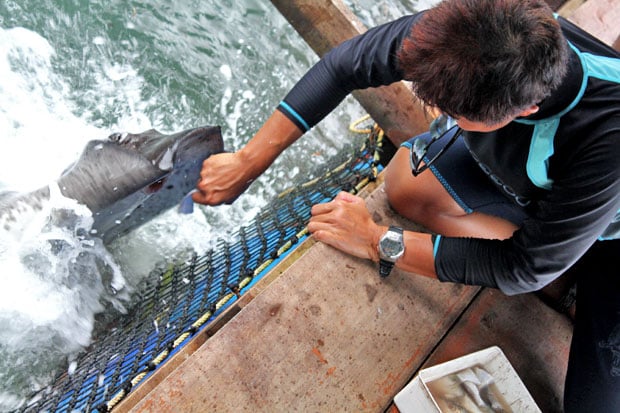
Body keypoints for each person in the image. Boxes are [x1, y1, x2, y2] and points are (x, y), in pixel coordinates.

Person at [192, 0, 620, 410]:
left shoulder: (608, 137)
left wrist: (379, 240)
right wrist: (248, 161)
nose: (442, 114)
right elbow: (344, 66)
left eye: (455, 111)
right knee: (405, 185)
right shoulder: (477, 28)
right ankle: (560, 265)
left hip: (611, 239)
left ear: (526, 108)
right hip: (547, 193)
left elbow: (520, 268)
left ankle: (564, 265)